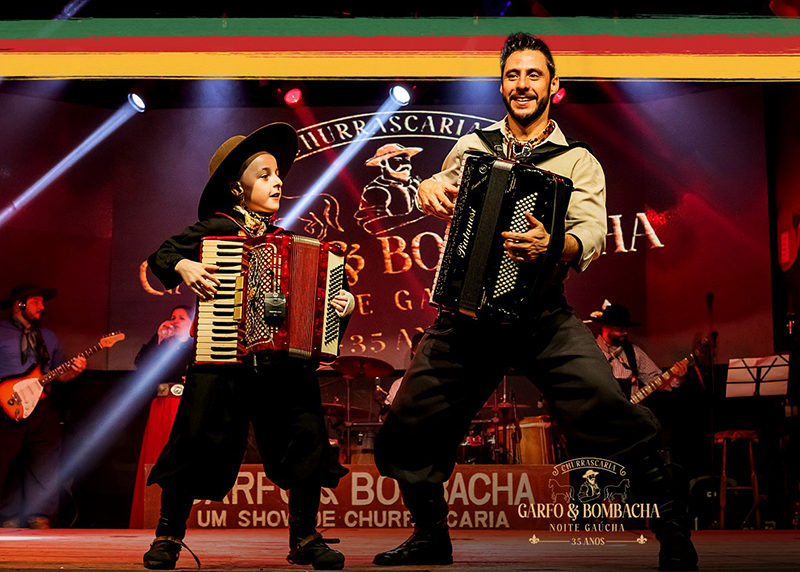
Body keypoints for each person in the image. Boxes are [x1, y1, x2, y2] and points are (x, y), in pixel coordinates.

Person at [373, 33, 698, 572]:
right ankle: (430, 535)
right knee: (411, 419)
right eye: (512, 75)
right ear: (502, 85)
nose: (522, 84)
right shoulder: (474, 148)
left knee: (607, 409)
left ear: (553, 87)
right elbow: (443, 187)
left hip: (539, 317)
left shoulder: (578, 162)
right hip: (467, 319)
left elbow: (590, 233)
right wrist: (429, 187)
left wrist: (556, 244)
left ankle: (673, 531)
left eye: (533, 75)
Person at [141, 123, 355, 571]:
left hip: (281, 365)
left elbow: (316, 310)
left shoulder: (287, 240)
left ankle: (305, 538)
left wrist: (341, 303)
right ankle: (167, 535)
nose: (277, 181)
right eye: (264, 174)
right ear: (237, 189)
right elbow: (161, 255)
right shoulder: (216, 228)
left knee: (305, 435)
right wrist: (183, 264)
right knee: (195, 437)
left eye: (278, 174)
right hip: (223, 357)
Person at [0, 284, 86, 529]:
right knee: (8, 461)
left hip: (43, 407)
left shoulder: (48, 336)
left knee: (45, 463)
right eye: (37, 302)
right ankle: (8, 516)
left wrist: (73, 372)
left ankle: (41, 516)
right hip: (6, 407)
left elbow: (58, 374)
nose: (42, 307)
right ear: (20, 304)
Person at [129, 305, 195, 529]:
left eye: (181, 318)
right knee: (156, 455)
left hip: (183, 406)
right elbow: (142, 367)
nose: (175, 321)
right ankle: (148, 515)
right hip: (161, 405)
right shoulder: (164, 345)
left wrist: (182, 341)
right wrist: (159, 339)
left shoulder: (195, 346)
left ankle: (178, 517)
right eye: (173, 317)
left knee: (181, 456)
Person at [595, 304, 688, 400]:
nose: (625, 332)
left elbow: (655, 380)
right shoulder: (590, 353)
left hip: (630, 413)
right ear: (606, 326)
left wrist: (677, 377)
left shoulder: (634, 352)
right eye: (621, 328)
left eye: (626, 328)